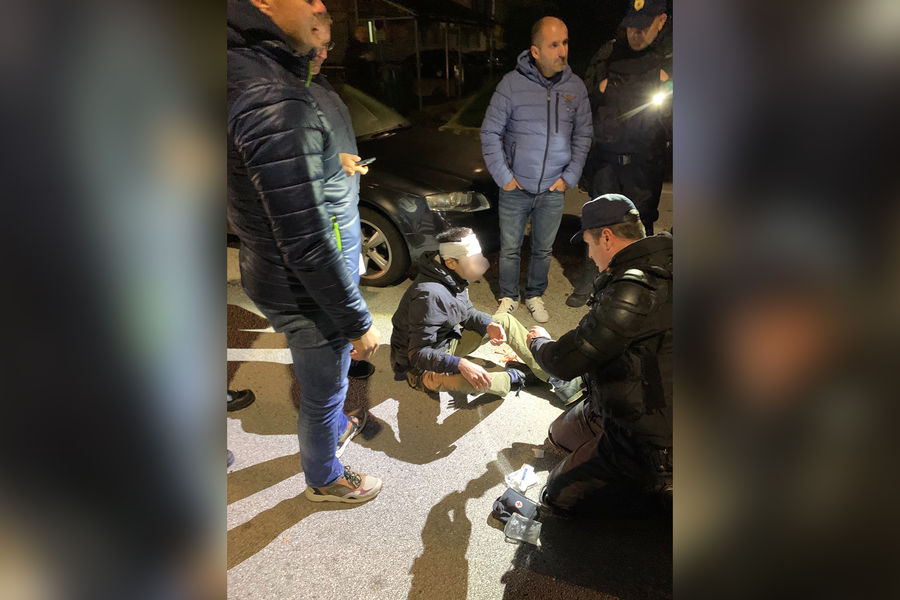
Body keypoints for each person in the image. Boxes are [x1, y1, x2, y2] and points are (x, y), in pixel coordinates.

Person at [227, 0, 382, 504]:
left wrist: (326, 159)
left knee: (323, 385)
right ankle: (325, 478)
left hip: (274, 269)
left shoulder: (245, 70)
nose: (321, 6)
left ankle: (332, 430)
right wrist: (357, 321)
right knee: (323, 392)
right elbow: (307, 242)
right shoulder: (270, 94)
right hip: (301, 284)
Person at [525, 194, 672, 515]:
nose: (589, 255)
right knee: (558, 435)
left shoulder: (634, 290)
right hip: (638, 392)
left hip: (650, 436)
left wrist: (539, 343)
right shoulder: (665, 257)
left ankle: (656, 488)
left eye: (589, 245)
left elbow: (566, 361)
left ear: (606, 237)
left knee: (555, 496)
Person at [480, 16, 592, 324]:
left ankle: (534, 294)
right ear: (535, 51)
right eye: (553, 45)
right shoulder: (511, 85)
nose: (562, 51)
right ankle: (508, 296)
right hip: (516, 187)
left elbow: (583, 135)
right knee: (510, 248)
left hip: (553, 188)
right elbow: (490, 132)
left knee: (543, 249)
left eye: (565, 43)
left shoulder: (575, 87)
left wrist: (568, 177)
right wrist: (505, 177)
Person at [390, 228, 578, 400]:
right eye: (473, 260)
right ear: (451, 262)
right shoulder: (430, 295)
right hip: (420, 367)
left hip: (447, 342)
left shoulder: (451, 276)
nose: (480, 263)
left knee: (504, 320)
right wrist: (460, 364)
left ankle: (556, 377)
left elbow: (467, 312)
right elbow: (418, 354)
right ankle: (514, 377)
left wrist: (488, 324)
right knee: (467, 380)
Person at [567, 0, 672, 307]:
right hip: (606, 161)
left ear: (661, 21)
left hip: (644, 165)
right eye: (631, 25)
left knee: (640, 224)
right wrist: (598, 91)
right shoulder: (608, 53)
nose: (636, 32)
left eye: (644, 25)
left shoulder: (670, 61)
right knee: (598, 221)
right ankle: (593, 278)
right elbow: (584, 103)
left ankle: (637, 284)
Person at [307, 23, 375, 381]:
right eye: (315, 45)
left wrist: (345, 163)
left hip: (344, 207)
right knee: (336, 295)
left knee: (347, 288)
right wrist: (336, 163)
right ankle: (333, 371)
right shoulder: (288, 90)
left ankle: (345, 357)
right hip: (327, 215)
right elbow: (284, 160)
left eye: (328, 45)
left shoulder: (320, 82)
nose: (323, 53)